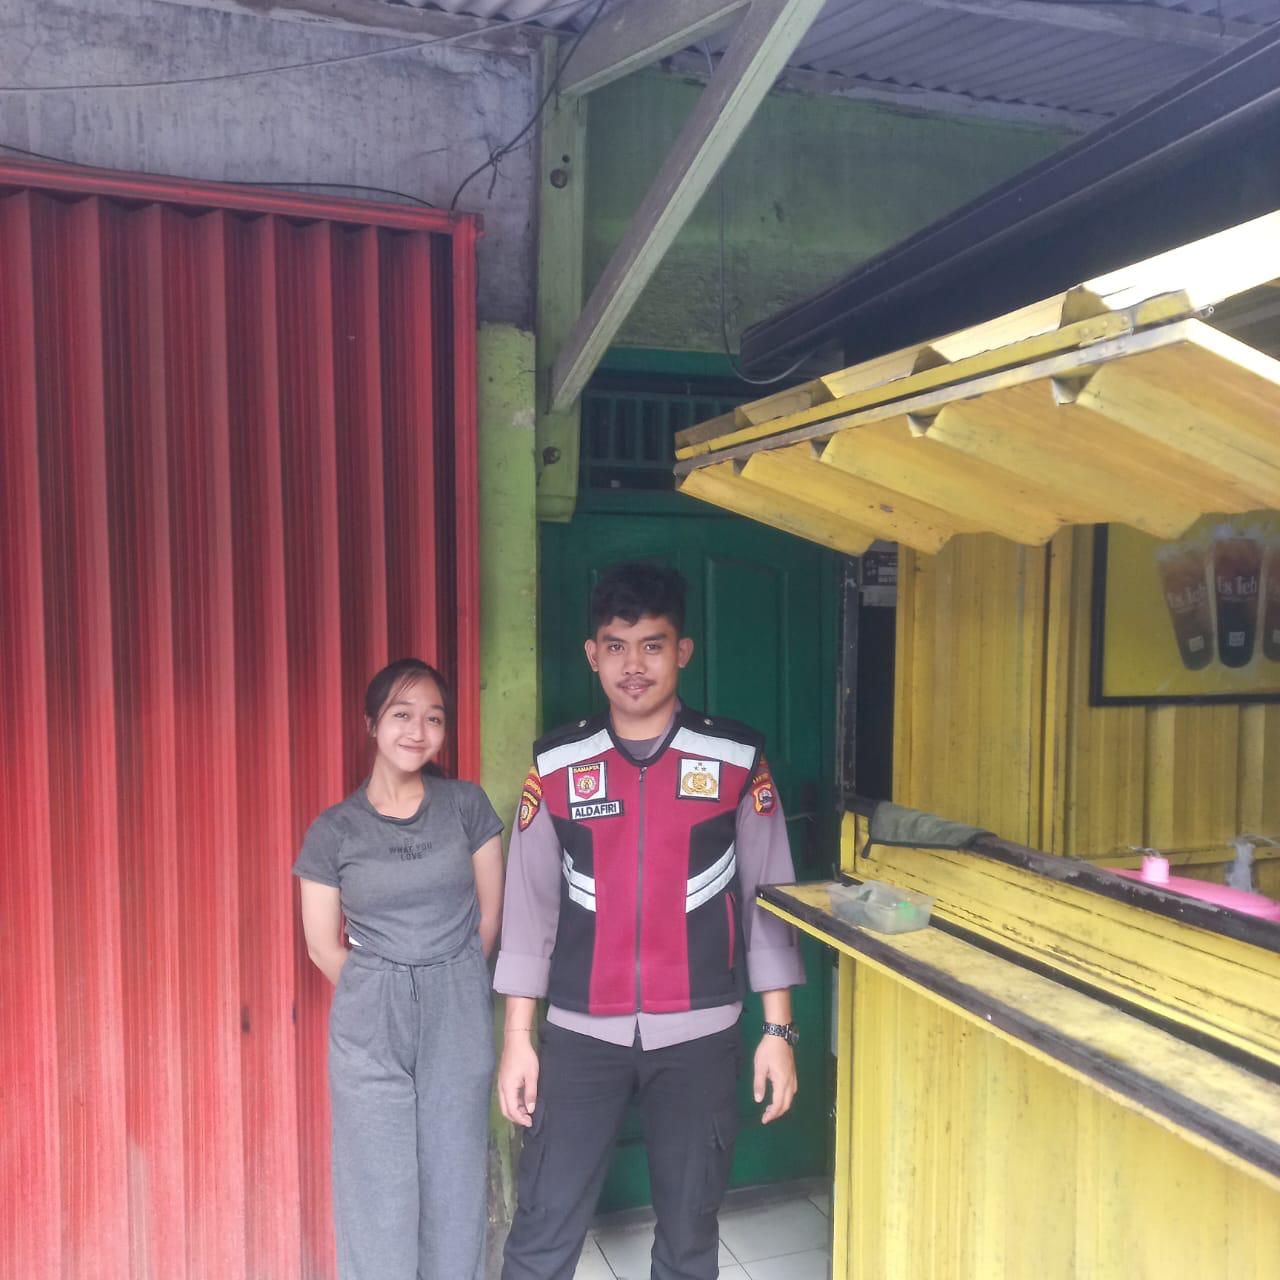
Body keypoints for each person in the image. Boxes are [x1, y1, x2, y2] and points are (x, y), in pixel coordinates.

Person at [496, 563, 806, 1280]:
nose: (633, 665)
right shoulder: (558, 764)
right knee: (541, 1229)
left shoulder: (736, 760)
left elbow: (770, 900)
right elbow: (531, 909)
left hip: (700, 1034)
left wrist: (779, 1033)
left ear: (683, 651)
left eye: (653, 645)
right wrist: (518, 1039)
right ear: (592, 654)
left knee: (690, 1236)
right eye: (616, 646)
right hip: (579, 1035)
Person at [294, 658, 505, 1280]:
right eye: (402, 714)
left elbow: (491, 915)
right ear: (371, 724)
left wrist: (448, 978)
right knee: (375, 1181)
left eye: (433, 718)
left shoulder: (465, 805)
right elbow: (321, 946)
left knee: (454, 1174)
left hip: (456, 1003)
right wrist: (385, 987)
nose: (418, 731)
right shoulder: (334, 831)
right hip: (371, 1015)